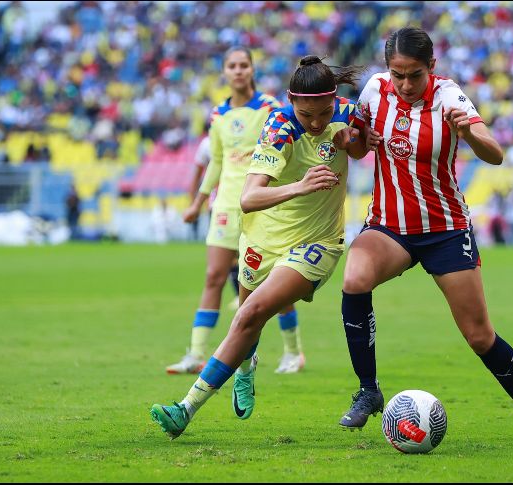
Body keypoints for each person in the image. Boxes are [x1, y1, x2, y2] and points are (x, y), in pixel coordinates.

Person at [337, 27, 513, 440]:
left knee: (479, 335)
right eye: (397, 74)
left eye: (414, 75)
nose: (404, 84)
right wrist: (359, 139)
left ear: (432, 68)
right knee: (354, 279)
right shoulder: (373, 90)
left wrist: (471, 132)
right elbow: (355, 149)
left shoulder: (449, 96)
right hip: (390, 227)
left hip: (445, 230)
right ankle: (368, 391)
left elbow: (495, 155)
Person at [150, 55, 370, 439]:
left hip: (317, 244)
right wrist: (300, 185)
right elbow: (249, 198)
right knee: (246, 323)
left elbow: (360, 149)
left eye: (324, 112)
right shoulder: (280, 126)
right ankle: (246, 370)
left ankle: (184, 409)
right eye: (307, 114)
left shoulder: (349, 113)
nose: (317, 122)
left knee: (250, 314)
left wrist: (353, 142)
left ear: (335, 99)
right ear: (290, 101)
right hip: (262, 238)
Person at [166, 47, 303, 376]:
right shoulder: (218, 114)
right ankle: (196, 354)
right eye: (232, 66)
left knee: (274, 283)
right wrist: (198, 203)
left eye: (244, 65)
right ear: (225, 73)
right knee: (214, 277)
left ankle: (293, 352)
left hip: (262, 202)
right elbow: (216, 160)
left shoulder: (271, 107)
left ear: (252, 70)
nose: (239, 71)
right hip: (226, 204)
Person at [188, 120, 240, 310]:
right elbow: (199, 172)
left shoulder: (240, 140)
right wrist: (195, 200)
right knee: (230, 254)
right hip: (218, 204)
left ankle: (246, 294)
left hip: (240, 200)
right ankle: (239, 294)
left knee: (245, 252)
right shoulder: (206, 144)